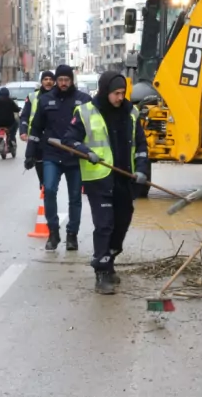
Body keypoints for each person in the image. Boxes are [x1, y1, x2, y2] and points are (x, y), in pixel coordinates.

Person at [64, 71, 149, 294]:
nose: (120, 97)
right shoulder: (85, 112)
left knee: (121, 224)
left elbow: (141, 145)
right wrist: (85, 151)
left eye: (123, 93)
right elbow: (69, 140)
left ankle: (109, 259)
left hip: (124, 178)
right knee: (104, 225)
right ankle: (101, 271)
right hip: (99, 180)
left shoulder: (131, 112)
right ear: (105, 91)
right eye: (116, 93)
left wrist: (141, 170)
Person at [24, 65, 92, 252]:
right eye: (60, 80)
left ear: (71, 81)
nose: (63, 83)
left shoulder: (84, 100)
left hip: (75, 156)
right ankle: (53, 232)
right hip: (51, 154)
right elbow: (36, 129)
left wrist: (89, 151)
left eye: (66, 80)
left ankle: (72, 235)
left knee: (75, 197)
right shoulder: (45, 100)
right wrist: (30, 153)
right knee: (50, 189)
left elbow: (93, 127)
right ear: (56, 81)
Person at [19, 71, 56, 190]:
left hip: (55, 138)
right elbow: (24, 116)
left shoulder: (58, 97)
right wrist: (23, 131)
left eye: (51, 79)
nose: (48, 81)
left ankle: (49, 187)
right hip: (37, 137)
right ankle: (43, 185)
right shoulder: (32, 96)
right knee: (39, 164)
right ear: (41, 82)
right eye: (45, 79)